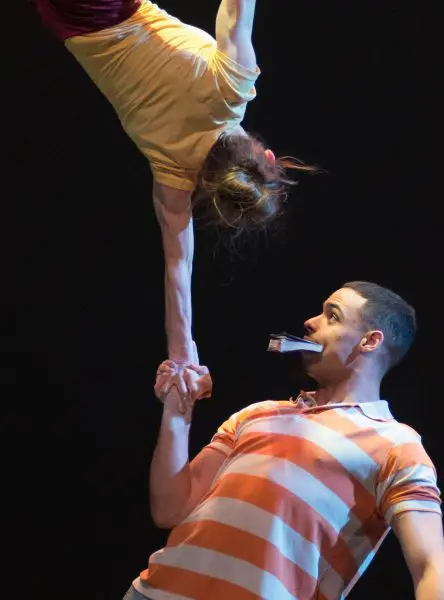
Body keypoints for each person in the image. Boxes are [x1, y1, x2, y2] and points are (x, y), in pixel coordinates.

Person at [34, 0, 316, 398]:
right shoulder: (174, 175)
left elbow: (236, 10)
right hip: (65, 18)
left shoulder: (232, 87)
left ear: (266, 157)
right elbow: (177, 268)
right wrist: (183, 356)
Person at [141, 281, 444, 600]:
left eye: (332, 315)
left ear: (370, 341)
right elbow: (171, 509)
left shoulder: (395, 444)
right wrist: (177, 412)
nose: (310, 321)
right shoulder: (257, 414)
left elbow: (431, 567)